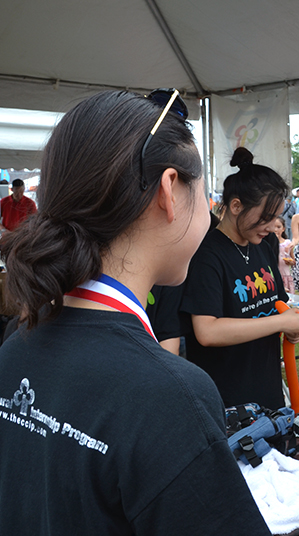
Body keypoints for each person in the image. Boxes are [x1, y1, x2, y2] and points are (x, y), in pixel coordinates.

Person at [0, 89, 272, 534]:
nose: (208, 208)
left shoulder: (17, 342)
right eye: (203, 191)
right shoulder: (168, 395)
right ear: (169, 190)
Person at [181, 147, 299, 410]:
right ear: (236, 206)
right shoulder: (207, 254)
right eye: (265, 217)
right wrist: (278, 322)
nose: (273, 225)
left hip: (268, 394)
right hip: (225, 402)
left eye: (277, 217)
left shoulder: (264, 244)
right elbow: (207, 331)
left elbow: (278, 305)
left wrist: (291, 324)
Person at [273, 215, 295, 294]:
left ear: (283, 229)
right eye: (273, 227)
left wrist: (291, 262)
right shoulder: (269, 244)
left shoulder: (287, 243)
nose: (276, 230)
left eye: (278, 227)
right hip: (275, 275)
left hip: (286, 275)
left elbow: (293, 261)